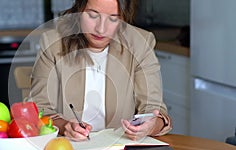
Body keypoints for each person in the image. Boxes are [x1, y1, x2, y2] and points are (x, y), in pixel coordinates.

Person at [30, 0, 172, 141]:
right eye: (92, 15)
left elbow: (155, 110)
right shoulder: (53, 42)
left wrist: (150, 126)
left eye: (113, 18)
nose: (101, 29)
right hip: (68, 148)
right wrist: (64, 126)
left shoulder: (140, 43)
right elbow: (40, 109)